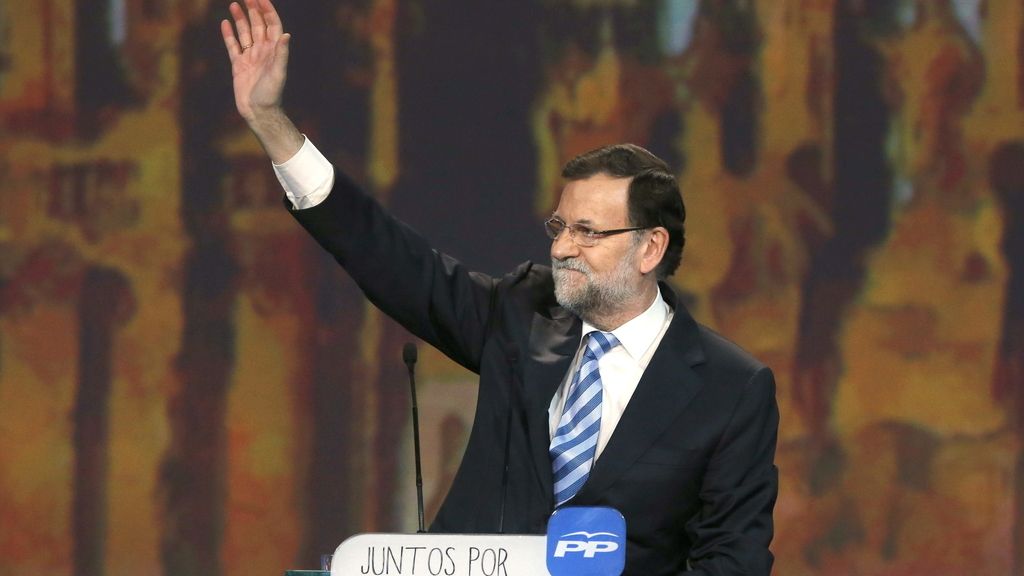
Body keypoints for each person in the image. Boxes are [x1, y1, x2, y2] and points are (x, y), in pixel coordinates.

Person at [220, 1, 778, 574]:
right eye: (559, 227)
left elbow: (732, 562)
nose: (562, 248)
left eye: (588, 232)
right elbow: (389, 258)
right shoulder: (522, 311)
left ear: (651, 248)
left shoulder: (730, 389)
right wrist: (270, 122)